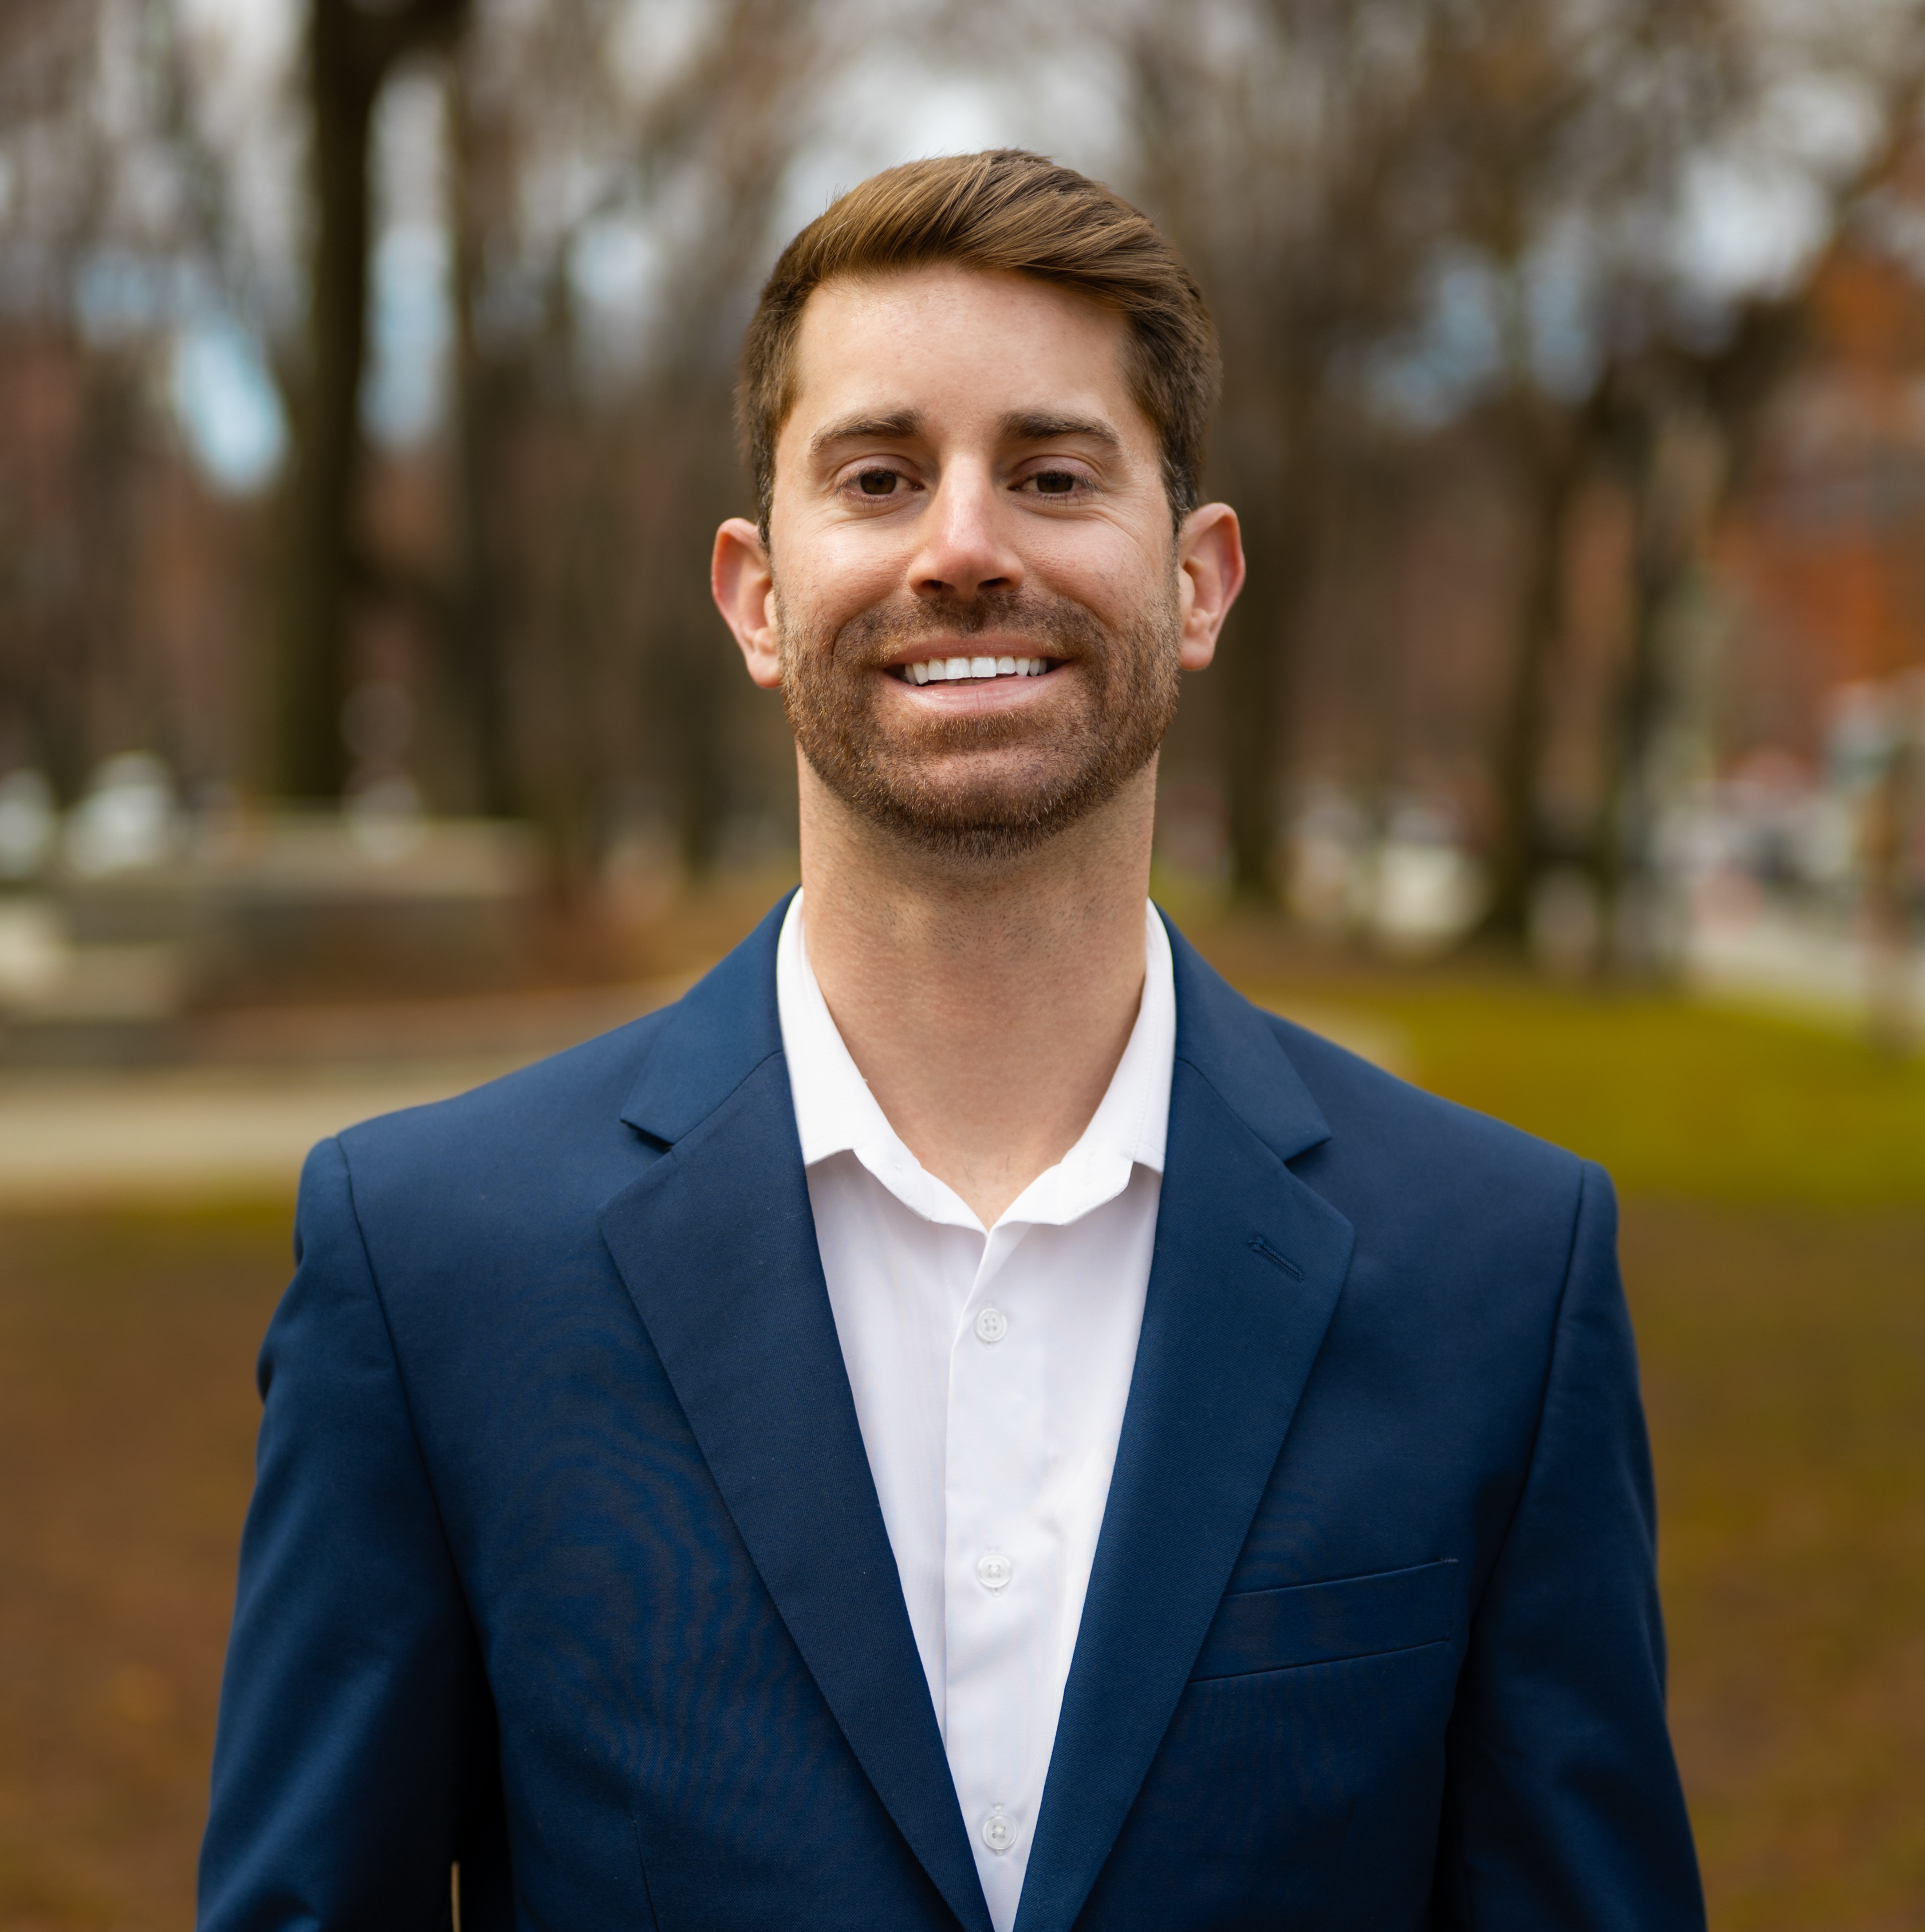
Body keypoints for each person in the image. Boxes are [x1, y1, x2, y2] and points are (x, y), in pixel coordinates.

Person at [199, 150, 1704, 1932]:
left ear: (1199, 581)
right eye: (880, 476)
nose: (965, 547)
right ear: (758, 596)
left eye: (1055, 474)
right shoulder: (429, 1264)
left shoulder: (1500, 1278)